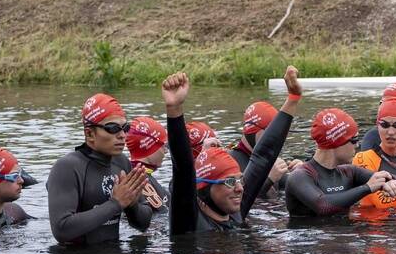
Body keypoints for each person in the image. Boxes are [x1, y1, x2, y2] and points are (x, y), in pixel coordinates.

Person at [164, 67, 302, 234]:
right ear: (205, 187)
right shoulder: (188, 220)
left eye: (240, 180)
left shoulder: (235, 211)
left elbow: (263, 155)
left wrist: (293, 98)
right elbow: (183, 167)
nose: (240, 188)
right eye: (230, 181)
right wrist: (174, 109)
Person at [46, 93, 154, 245]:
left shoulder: (121, 163)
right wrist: (115, 204)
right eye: (113, 128)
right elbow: (61, 229)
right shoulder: (67, 168)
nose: (122, 135)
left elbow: (143, 225)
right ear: (89, 133)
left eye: (125, 128)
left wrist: (132, 205)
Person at [285, 108, 396, 217]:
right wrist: (367, 188)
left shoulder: (348, 171)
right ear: (336, 142)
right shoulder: (300, 176)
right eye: (354, 140)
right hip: (310, 232)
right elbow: (323, 206)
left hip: (346, 230)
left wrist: (391, 183)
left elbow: (394, 178)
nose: (357, 145)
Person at [227, 100, 295, 198]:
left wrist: (302, 172)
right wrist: (269, 180)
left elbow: (293, 188)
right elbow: (240, 202)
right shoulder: (230, 163)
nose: (277, 139)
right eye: (272, 133)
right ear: (252, 130)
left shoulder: (269, 158)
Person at [125, 116, 169, 213]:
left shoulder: (139, 174)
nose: (166, 151)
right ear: (150, 147)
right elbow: (164, 215)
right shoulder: (140, 180)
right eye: (163, 145)